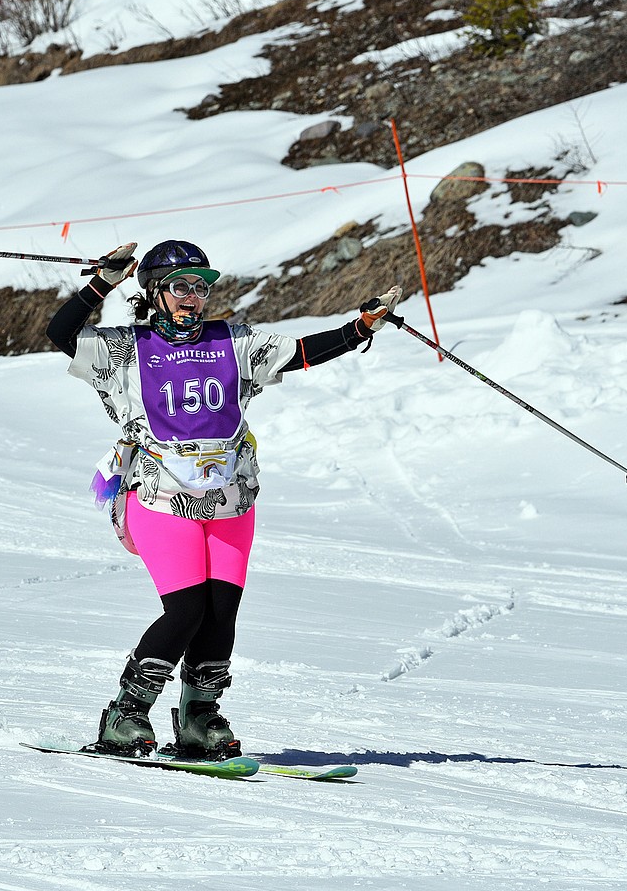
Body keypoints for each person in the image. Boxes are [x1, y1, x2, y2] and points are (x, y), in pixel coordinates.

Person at [47, 238, 400, 760]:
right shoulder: (123, 350)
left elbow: (300, 352)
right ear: (155, 293)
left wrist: (360, 329)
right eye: (181, 287)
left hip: (232, 501)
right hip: (160, 497)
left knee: (221, 614)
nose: (194, 297)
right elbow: (61, 334)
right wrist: (102, 282)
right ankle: (125, 715)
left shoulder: (232, 342)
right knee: (185, 611)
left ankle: (198, 718)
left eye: (201, 287)